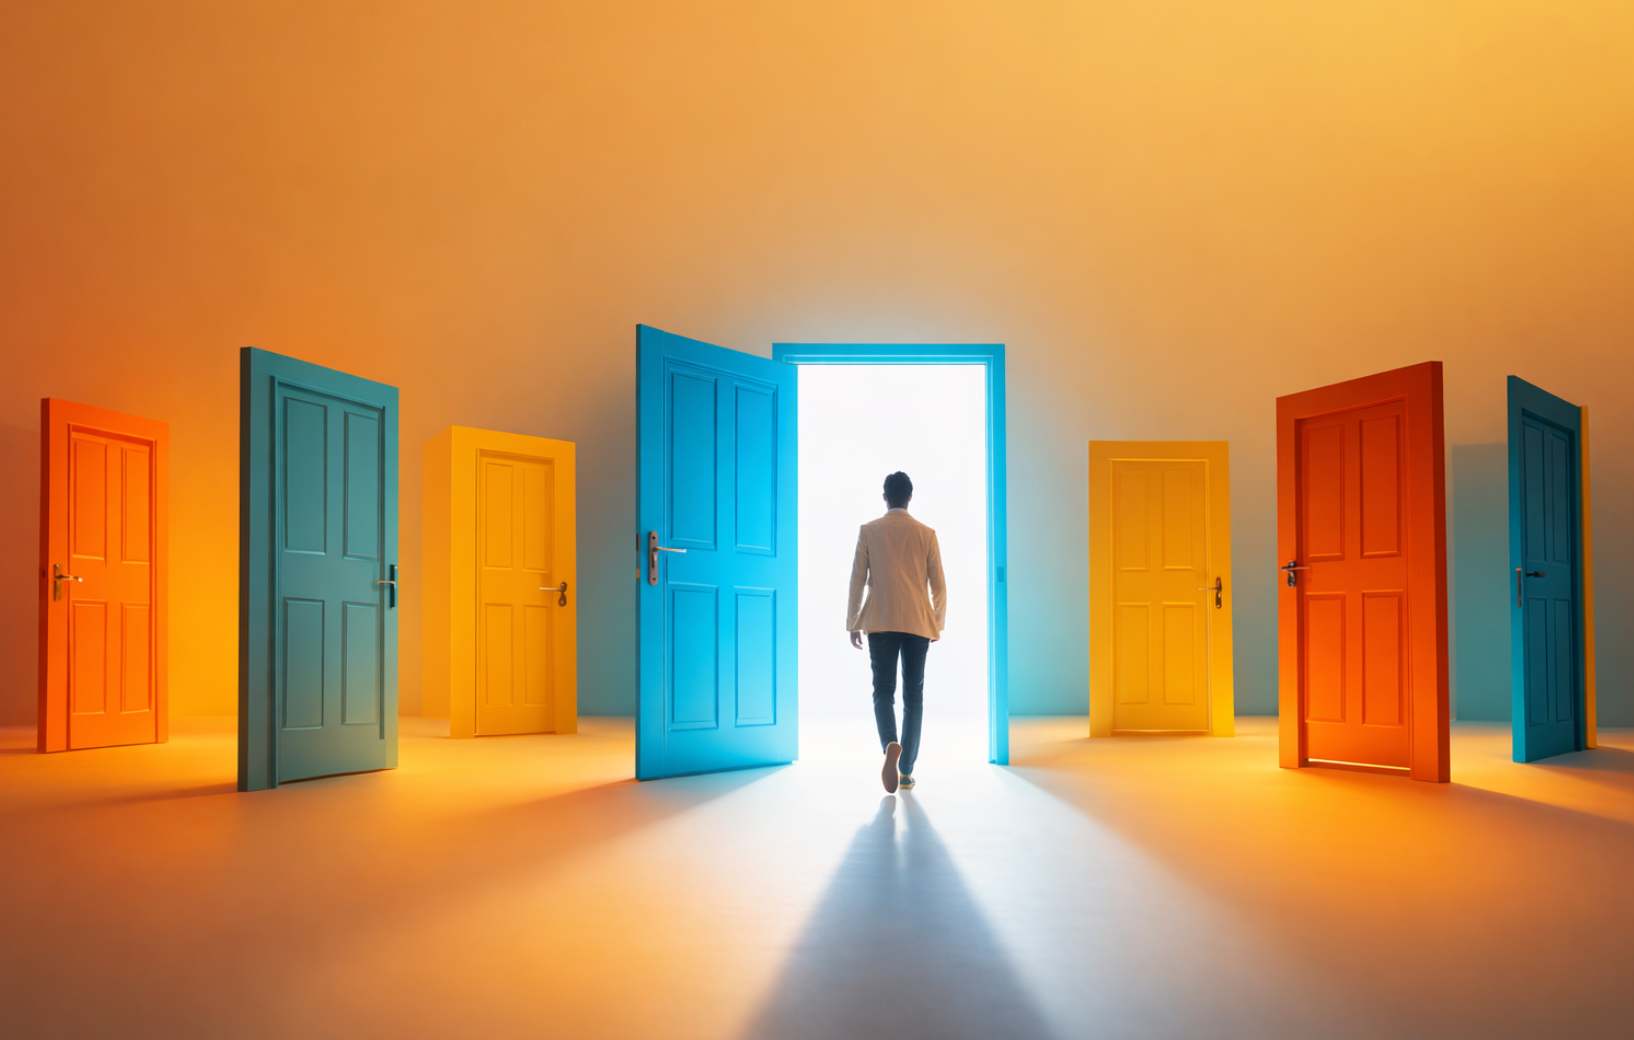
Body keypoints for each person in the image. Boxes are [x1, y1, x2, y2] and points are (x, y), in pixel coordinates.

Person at [846, 471, 947, 793]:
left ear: (885, 496)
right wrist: (937, 622)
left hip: (881, 620)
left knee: (883, 691)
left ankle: (890, 743)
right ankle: (905, 771)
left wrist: (853, 622)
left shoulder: (869, 531)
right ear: (910, 496)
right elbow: (940, 586)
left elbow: (857, 580)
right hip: (918, 623)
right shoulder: (926, 533)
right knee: (913, 696)